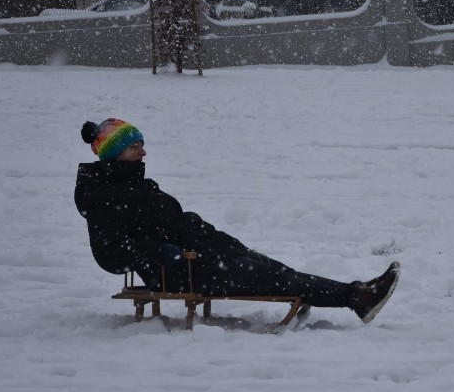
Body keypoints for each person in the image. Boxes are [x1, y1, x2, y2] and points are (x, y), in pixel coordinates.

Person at [75, 118, 400, 324]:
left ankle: (359, 294)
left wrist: (216, 238)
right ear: (115, 152)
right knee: (273, 280)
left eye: (141, 146)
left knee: (278, 271)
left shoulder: (139, 187)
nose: (143, 154)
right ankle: (357, 297)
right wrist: (161, 252)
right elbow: (109, 254)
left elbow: (177, 222)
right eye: (134, 147)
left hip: (204, 253)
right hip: (179, 271)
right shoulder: (105, 196)